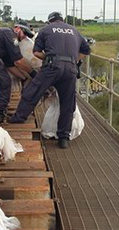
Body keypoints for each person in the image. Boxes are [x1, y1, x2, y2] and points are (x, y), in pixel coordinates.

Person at [9, 11, 91, 149]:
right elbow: (86, 51)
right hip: (70, 68)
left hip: (52, 66)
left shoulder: (46, 30)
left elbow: (36, 52)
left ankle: (18, 118)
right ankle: (63, 137)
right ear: (62, 20)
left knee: (33, 91)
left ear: (50, 21)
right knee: (67, 102)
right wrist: (74, 60)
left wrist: (48, 58)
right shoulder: (74, 30)